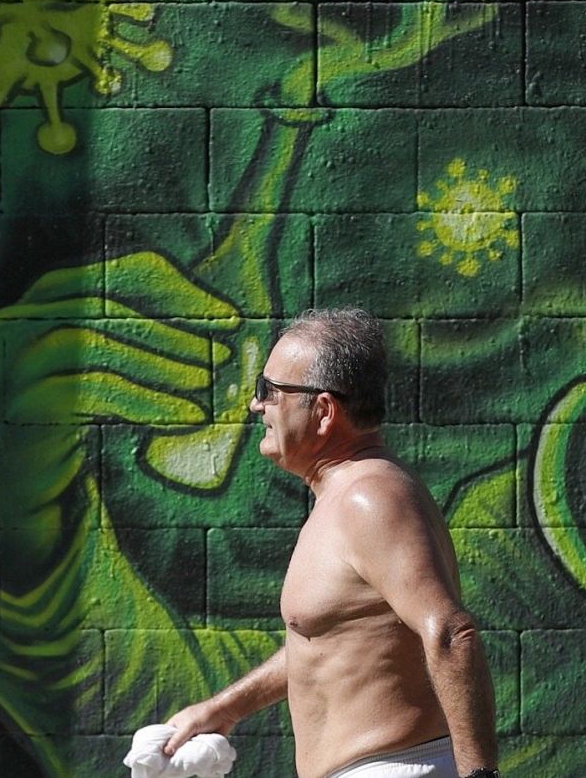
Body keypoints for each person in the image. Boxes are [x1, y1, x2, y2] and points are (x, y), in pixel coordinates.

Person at [162, 308, 500, 778]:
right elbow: (325, 642)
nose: (257, 406)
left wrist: (480, 776)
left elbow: (450, 632)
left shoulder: (369, 496)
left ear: (323, 412)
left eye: (270, 391)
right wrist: (224, 709)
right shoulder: (346, 495)